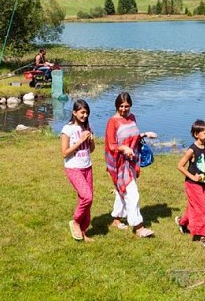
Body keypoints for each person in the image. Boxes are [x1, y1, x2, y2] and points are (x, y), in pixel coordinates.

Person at [104, 91, 158, 238]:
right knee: (132, 193)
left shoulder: (132, 118)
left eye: (127, 106)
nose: (124, 109)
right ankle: (139, 227)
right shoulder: (112, 122)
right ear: (116, 105)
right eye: (121, 106)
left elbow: (132, 136)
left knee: (123, 191)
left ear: (131, 106)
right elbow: (111, 144)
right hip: (118, 163)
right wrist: (124, 148)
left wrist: (145, 134)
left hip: (131, 160)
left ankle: (116, 219)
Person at [175, 119, 205, 247]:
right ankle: (204, 236)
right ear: (196, 134)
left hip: (204, 183)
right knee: (203, 208)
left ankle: (182, 223)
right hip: (192, 184)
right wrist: (193, 178)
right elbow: (180, 166)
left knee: (195, 206)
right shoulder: (192, 150)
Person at [61, 99, 96, 242]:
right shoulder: (67, 129)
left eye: (87, 112)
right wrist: (80, 141)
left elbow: (91, 150)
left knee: (86, 200)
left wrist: (91, 141)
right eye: (82, 112)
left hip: (87, 166)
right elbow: (64, 152)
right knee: (87, 197)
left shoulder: (86, 128)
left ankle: (83, 231)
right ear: (74, 113)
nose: (85, 115)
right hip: (74, 168)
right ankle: (75, 221)